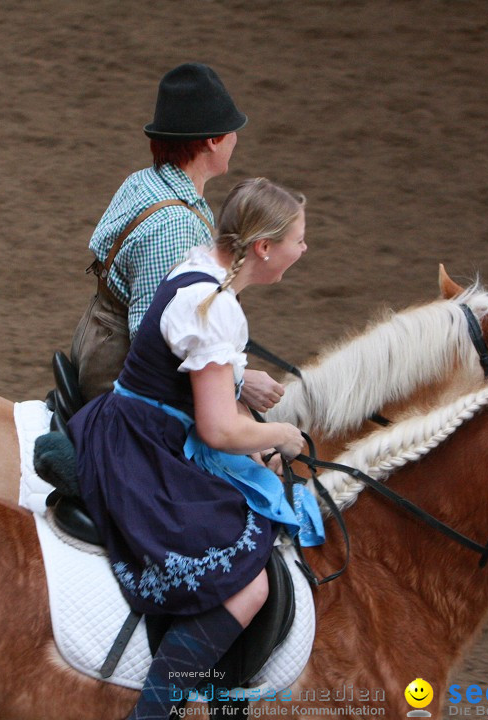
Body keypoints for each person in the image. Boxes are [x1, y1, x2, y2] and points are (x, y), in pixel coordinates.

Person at [68, 178, 322, 719]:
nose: (304, 250)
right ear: (264, 248)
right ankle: (155, 711)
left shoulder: (200, 269)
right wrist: (281, 435)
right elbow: (217, 430)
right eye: (299, 240)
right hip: (141, 449)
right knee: (246, 585)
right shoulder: (212, 306)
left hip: (140, 426)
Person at [70, 62, 284, 412]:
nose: (235, 139)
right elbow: (156, 341)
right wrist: (239, 382)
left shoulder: (144, 181)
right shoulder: (176, 224)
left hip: (95, 346)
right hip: (121, 381)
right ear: (214, 141)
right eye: (232, 131)